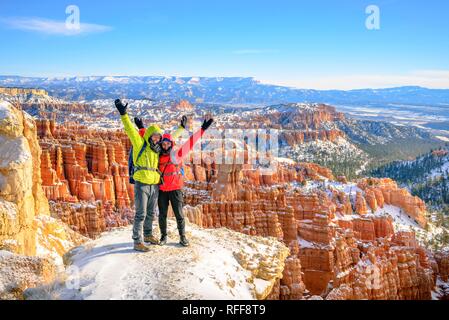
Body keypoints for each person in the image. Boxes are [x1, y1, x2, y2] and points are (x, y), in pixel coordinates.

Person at [115, 99, 185, 252]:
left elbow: (170, 137)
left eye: (158, 137)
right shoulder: (140, 144)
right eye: (154, 136)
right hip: (142, 184)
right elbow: (130, 130)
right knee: (141, 213)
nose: (156, 138)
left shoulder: (158, 148)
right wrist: (123, 114)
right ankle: (137, 241)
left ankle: (147, 235)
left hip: (154, 184)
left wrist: (181, 128)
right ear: (149, 135)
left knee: (151, 213)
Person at [137, 115, 214, 246]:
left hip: (175, 189)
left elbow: (190, 142)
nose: (165, 145)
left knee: (179, 215)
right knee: (162, 215)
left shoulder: (176, 154)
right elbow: (147, 139)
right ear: (161, 144)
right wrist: (141, 128)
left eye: (168, 143)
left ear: (171, 144)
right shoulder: (157, 154)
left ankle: (182, 237)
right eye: (164, 143)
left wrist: (203, 129)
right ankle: (163, 236)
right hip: (161, 190)